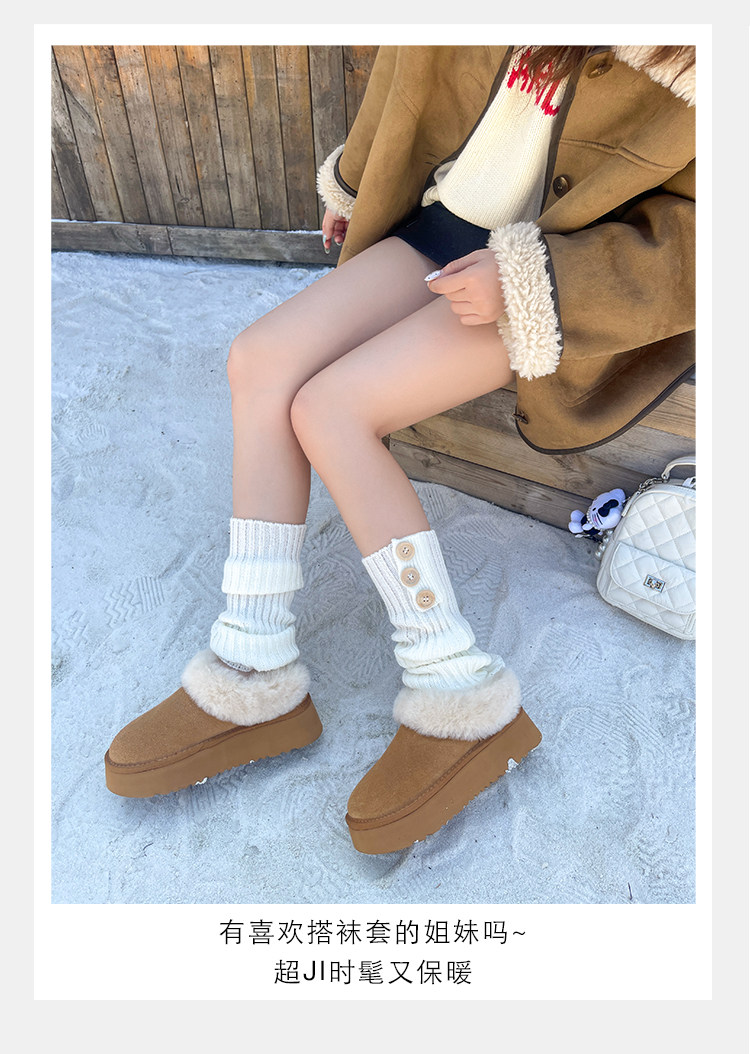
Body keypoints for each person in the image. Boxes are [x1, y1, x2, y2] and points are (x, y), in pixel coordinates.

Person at [104, 44, 696, 855]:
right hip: (438, 227)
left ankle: (454, 686)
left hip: (554, 267)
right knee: (259, 360)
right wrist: (358, 184)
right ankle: (252, 662)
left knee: (331, 409)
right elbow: (406, 72)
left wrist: (541, 280)